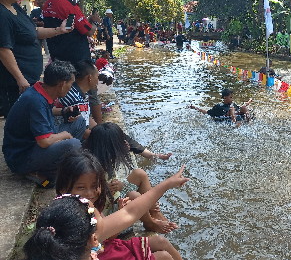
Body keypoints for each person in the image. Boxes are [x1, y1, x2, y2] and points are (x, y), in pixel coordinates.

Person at [24, 160, 189, 260]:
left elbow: (128, 213)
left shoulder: (67, 218)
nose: (90, 194)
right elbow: (128, 215)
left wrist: (167, 184)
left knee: (162, 245)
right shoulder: (85, 221)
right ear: (93, 241)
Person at [2, 60, 84, 188]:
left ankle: (58, 168)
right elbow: (44, 142)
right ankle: (46, 172)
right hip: (21, 157)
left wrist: (64, 111)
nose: (71, 88)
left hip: (34, 144)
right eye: (70, 84)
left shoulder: (39, 90)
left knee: (79, 122)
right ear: (62, 84)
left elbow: (46, 111)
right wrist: (64, 134)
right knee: (74, 144)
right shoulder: (35, 101)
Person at [85, 122, 175, 233]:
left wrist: (120, 185)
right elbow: (93, 199)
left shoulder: (104, 159)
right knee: (134, 196)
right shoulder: (91, 168)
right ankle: (150, 223)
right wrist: (106, 188)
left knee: (139, 174)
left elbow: (124, 175)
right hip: (105, 210)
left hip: (112, 197)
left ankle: (154, 211)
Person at [0, 0, 72, 117]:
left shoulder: (15, 7)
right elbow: (4, 50)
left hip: (30, 77)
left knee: (30, 117)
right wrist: (20, 78)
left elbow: (35, 31)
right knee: (20, 119)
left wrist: (58, 30)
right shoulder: (3, 15)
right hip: (16, 83)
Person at [55, 59, 99, 140]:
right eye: (97, 76)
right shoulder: (74, 98)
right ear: (89, 78)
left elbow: (87, 119)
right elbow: (84, 133)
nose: (98, 80)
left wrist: (101, 130)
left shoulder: (81, 94)